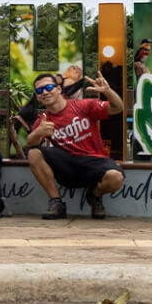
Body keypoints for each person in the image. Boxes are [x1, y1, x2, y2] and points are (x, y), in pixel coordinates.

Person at [26, 72, 125, 219]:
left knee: (115, 178)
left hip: (94, 162)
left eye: (48, 87)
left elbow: (117, 108)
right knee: (34, 153)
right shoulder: (43, 120)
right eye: (40, 91)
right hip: (67, 166)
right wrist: (37, 133)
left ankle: (94, 196)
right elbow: (30, 144)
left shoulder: (83, 106)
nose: (45, 92)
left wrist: (107, 92)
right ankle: (56, 202)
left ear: (59, 89)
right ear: (38, 96)